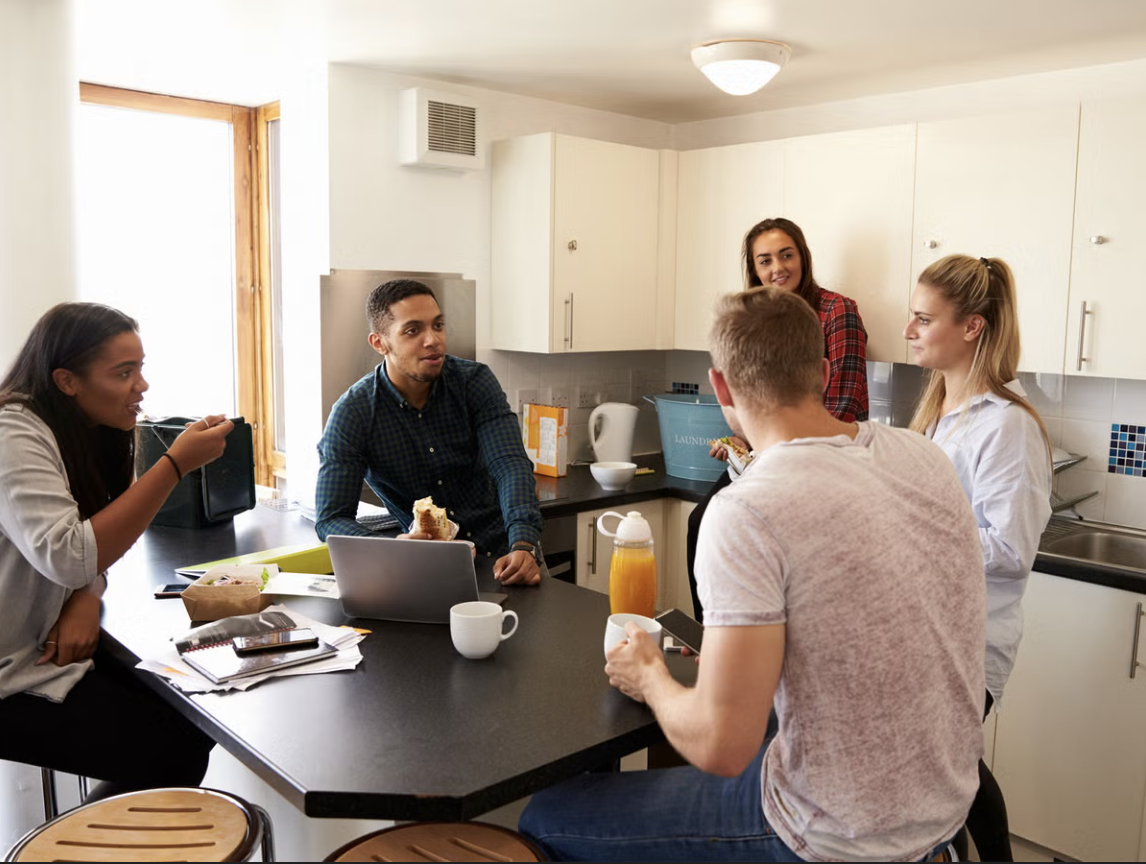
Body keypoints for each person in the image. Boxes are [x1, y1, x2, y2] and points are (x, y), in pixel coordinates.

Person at [519, 287, 986, 862]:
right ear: (819, 370)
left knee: (545, 816)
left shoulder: (747, 509)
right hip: (945, 809)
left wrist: (649, 677)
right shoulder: (922, 456)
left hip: (835, 835)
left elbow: (722, 747)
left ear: (720, 388)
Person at [0, 302, 234, 800]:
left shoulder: (86, 429)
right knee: (168, 747)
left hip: (33, 644)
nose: (141, 386)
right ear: (67, 381)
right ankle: (77, 849)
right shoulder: (12, 433)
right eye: (123, 373)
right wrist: (173, 466)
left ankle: (89, 841)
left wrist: (86, 593)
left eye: (141, 368)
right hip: (7, 669)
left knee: (190, 718)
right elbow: (69, 553)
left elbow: (88, 548)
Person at [905, 254, 1052, 862]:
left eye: (923, 318)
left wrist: (914, 529)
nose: (910, 330)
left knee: (949, 771)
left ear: (972, 327)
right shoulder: (941, 410)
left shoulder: (1006, 427)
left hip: (970, 639)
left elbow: (1012, 550)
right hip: (931, 628)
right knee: (953, 769)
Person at [686, 217, 869, 621]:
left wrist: (771, 453)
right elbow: (753, 402)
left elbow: (842, 405)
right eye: (765, 260)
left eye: (786, 255)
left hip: (824, 460)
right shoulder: (752, 320)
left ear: (803, 258)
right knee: (701, 521)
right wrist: (741, 448)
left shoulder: (837, 312)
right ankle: (711, 635)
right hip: (764, 457)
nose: (777, 268)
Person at [315, 278, 544, 585]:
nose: (433, 339)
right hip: (425, 570)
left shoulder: (474, 382)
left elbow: (509, 465)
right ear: (379, 343)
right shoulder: (353, 414)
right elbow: (331, 519)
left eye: (438, 325)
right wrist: (391, 549)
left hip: (506, 557)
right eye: (413, 330)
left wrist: (523, 543)